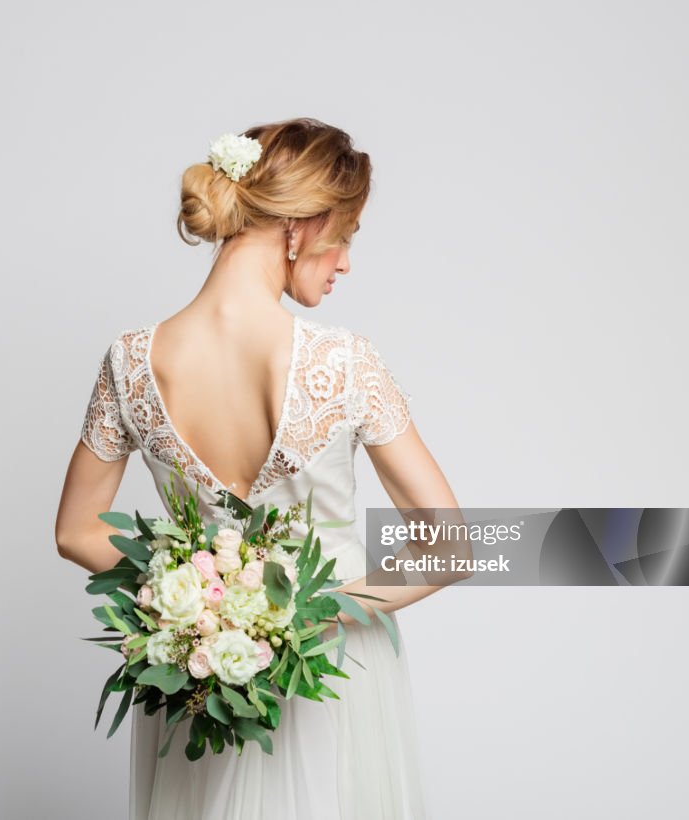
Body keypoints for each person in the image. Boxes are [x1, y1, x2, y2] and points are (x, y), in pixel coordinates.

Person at [55, 117, 465, 819]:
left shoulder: (129, 361)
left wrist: (206, 613)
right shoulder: (346, 363)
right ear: (300, 226)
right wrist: (301, 617)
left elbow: (76, 533)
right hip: (328, 671)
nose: (346, 263)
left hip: (200, 675)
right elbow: (451, 544)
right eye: (347, 234)